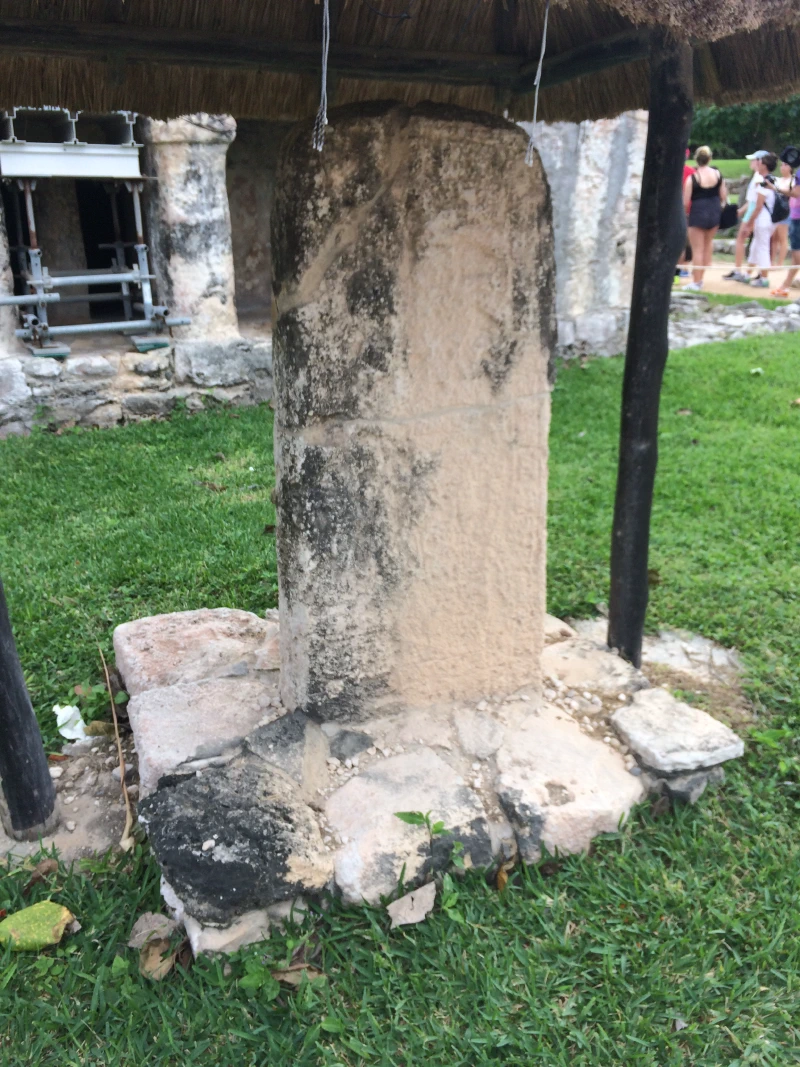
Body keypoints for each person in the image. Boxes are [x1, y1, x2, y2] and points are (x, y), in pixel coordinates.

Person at [682, 145, 726, 291]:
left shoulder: (693, 178)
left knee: (697, 249)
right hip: (714, 212)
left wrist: (685, 215)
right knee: (707, 245)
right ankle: (700, 279)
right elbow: (723, 196)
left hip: (698, 213)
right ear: (709, 159)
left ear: (696, 159)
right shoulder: (718, 175)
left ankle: (696, 281)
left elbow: (685, 201)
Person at [724, 150, 768, 283]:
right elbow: (751, 201)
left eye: (754, 160)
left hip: (753, 212)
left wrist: (749, 219)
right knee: (754, 243)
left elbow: (755, 202)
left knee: (741, 240)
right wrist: (740, 212)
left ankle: (739, 270)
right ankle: (751, 272)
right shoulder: (756, 176)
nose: (751, 162)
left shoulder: (758, 178)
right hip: (751, 211)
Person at [772, 146, 800, 298]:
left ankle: (786, 286)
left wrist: (776, 188)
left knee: (797, 253)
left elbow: (796, 193)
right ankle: (786, 285)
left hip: (797, 216)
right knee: (796, 256)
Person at [747, 152, 778, 287]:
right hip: (772, 219)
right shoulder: (775, 180)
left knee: (762, 248)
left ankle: (764, 278)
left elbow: (758, 206)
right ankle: (748, 273)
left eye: (759, 163)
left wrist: (749, 222)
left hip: (763, 220)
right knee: (756, 245)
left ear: (764, 166)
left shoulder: (763, 183)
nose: (757, 165)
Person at [771, 157, 793, 267]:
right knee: (774, 237)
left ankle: (780, 262)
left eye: (785, 165)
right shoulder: (778, 180)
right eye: (781, 165)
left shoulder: (793, 181)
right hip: (776, 211)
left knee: (782, 237)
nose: (782, 167)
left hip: (786, 211)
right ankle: (772, 262)